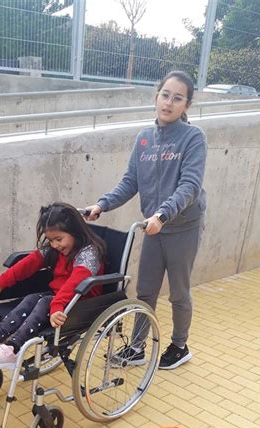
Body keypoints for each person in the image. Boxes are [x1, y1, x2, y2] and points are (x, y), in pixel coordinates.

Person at [86, 70, 207, 370]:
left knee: (179, 291)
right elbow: (130, 181)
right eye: (165, 95)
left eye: (177, 98)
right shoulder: (144, 139)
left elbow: (189, 186)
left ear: (186, 105)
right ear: (156, 97)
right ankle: (138, 347)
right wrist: (102, 205)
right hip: (154, 227)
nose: (169, 103)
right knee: (145, 290)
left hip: (182, 227)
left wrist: (163, 214)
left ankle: (180, 345)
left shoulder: (193, 138)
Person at [0, 202, 106, 370]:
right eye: (51, 240)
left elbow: (74, 284)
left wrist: (56, 305)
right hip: (59, 298)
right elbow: (30, 263)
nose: (54, 245)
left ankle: (12, 349)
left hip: (82, 302)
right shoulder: (57, 249)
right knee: (32, 299)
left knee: (45, 302)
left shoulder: (89, 253)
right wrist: (2, 281)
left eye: (59, 239)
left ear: (75, 232)